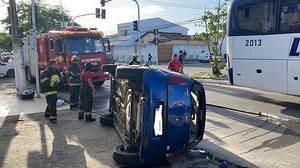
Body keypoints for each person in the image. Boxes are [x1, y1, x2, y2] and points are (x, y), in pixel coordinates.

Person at [41, 60, 61, 124]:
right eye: (55, 64)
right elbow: (45, 82)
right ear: (51, 65)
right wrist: (55, 83)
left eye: (56, 64)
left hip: (54, 90)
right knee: (52, 104)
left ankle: (47, 114)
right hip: (48, 91)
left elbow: (59, 78)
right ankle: (53, 118)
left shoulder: (55, 71)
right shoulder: (46, 72)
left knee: (51, 102)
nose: (56, 65)